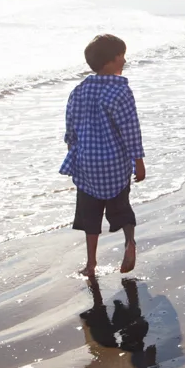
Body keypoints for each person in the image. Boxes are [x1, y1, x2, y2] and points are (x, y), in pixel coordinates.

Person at [62, 33, 147, 275]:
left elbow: (71, 128)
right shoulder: (120, 91)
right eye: (121, 56)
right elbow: (130, 129)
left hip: (87, 164)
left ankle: (91, 263)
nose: (124, 60)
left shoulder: (79, 91)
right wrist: (138, 161)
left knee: (90, 216)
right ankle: (130, 242)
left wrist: (73, 153)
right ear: (110, 61)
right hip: (114, 163)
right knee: (121, 208)